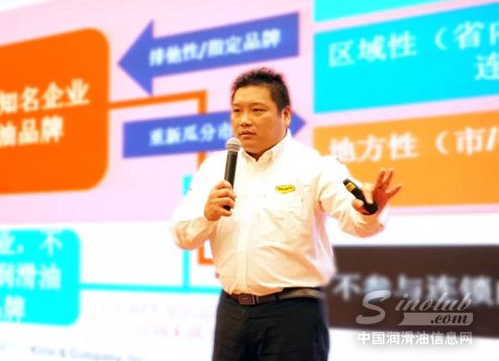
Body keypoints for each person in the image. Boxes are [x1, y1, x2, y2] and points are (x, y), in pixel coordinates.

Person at [170, 67, 401, 360]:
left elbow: (357, 221)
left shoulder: (315, 166)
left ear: (286, 115)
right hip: (232, 312)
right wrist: (207, 214)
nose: (244, 120)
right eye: (237, 111)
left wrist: (371, 209)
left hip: (293, 315)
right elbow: (182, 235)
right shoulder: (214, 168)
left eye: (257, 110)